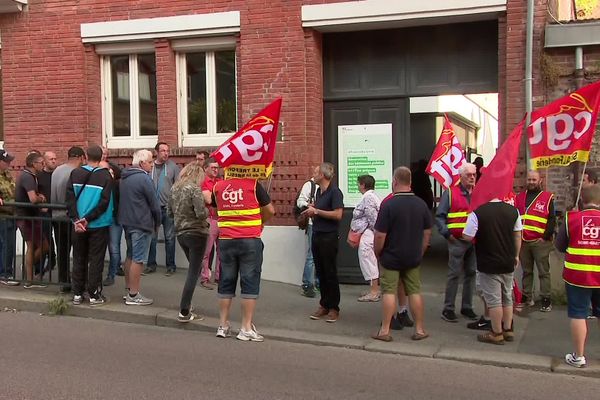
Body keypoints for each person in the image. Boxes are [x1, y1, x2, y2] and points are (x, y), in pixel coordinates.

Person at [371, 167, 432, 341]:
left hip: (391, 256)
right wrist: (420, 251)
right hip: (413, 256)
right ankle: (419, 329)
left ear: (395, 182)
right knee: (414, 291)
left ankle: (385, 331)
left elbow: (380, 234)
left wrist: (378, 252)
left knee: (389, 291)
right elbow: (427, 232)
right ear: (410, 182)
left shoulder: (388, 204)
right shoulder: (421, 204)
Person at [213, 174, 275, 341]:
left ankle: (223, 325)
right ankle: (246, 327)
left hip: (226, 240)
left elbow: (213, 204)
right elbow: (270, 210)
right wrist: (260, 221)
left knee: (226, 280)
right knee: (249, 281)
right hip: (249, 239)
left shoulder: (218, 187)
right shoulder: (253, 185)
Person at [462, 198, 522, 345]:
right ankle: (508, 329)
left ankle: (496, 333)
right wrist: (516, 255)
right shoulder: (513, 211)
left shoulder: (478, 213)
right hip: (508, 260)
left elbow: (467, 235)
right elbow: (517, 235)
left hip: (488, 261)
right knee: (507, 296)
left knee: (494, 300)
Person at [555, 185, 600, 368]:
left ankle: (579, 356)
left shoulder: (571, 218)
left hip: (577, 275)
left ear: (582, 201)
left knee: (579, 314)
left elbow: (559, 245)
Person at [66, 145, 113, 306]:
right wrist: (89, 218)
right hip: (98, 223)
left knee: (79, 257)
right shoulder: (105, 176)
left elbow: (69, 199)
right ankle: (94, 294)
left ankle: (77, 293)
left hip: (78, 224)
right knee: (96, 259)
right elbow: (104, 203)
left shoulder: (75, 173)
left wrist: (76, 219)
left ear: (86, 156)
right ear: (101, 158)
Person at [436, 163, 478, 322]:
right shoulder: (451, 193)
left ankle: (467, 307)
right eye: (469, 175)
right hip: (457, 241)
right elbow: (440, 216)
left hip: (474, 241)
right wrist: (447, 234)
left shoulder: (478, 193)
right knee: (454, 274)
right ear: (461, 176)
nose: (472, 177)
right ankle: (448, 309)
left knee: (471, 273)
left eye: (474, 174)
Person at [167, 163, 209, 322]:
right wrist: (207, 206)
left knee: (194, 269)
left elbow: (169, 213)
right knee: (193, 272)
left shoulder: (174, 188)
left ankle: (188, 305)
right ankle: (184, 310)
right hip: (197, 233)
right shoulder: (194, 189)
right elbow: (200, 214)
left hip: (181, 234)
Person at [119, 149, 161, 306]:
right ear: (142, 163)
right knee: (138, 259)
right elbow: (154, 204)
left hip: (127, 221)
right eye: (150, 162)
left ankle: (129, 289)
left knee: (130, 256)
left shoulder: (125, 177)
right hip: (141, 222)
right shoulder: (144, 179)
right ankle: (133, 294)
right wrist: (157, 222)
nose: (151, 165)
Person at [305, 162, 344, 323]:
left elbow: (338, 215)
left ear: (323, 175)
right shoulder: (319, 192)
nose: (313, 175)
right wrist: (312, 211)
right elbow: (320, 212)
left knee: (330, 272)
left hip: (329, 236)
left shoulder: (335, 192)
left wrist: (317, 211)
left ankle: (334, 307)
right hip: (317, 234)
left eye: (315, 172)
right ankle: (324, 304)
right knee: (320, 271)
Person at [516, 170, 556, 312]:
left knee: (543, 272)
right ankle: (527, 297)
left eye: (534, 180)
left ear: (540, 181)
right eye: (529, 179)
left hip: (540, 242)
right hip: (524, 240)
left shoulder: (547, 197)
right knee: (527, 271)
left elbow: (552, 219)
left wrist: (545, 237)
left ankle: (546, 299)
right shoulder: (519, 197)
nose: (531, 182)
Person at [50, 146, 86, 292]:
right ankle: (78, 284)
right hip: (70, 217)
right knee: (78, 251)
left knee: (62, 251)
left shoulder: (57, 170)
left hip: (56, 215)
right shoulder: (76, 172)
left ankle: (64, 282)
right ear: (80, 157)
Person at [146, 142, 180, 276]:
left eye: (167, 150)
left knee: (170, 237)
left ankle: (171, 266)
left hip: (167, 208)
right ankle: (150, 264)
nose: (166, 153)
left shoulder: (173, 167)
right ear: (156, 152)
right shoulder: (150, 166)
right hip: (153, 208)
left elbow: (177, 186)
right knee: (152, 237)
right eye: (163, 151)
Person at [15, 152, 49, 288]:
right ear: (34, 164)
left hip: (29, 216)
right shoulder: (28, 177)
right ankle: (29, 279)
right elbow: (33, 199)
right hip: (27, 217)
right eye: (41, 162)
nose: (43, 164)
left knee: (36, 246)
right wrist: (41, 198)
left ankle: (29, 273)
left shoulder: (29, 176)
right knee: (41, 246)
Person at [349, 174, 381, 301]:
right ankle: (373, 289)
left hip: (368, 234)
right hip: (368, 233)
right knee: (369, 260)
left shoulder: (368, 198)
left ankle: (374, 292)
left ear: (363, 185)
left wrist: (374, 233)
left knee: (368, 260)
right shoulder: (370, 197)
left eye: (358, 183)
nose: (357, 186)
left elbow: (372, 218)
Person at [101, 146, 125, 279]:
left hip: (115, 215)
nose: (104, 156)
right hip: (100, 216)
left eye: (105, 154)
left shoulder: (116, 172)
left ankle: (113, 271)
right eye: (102, 153)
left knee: (114, 245)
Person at [199, 157, 221, 289]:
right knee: (207, 251)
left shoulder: (220, 181)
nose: (215, 169)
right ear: (205, 168)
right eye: (212, 167)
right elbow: (208, 199)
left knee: (221, 250)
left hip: (221, 219)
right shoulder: (203, 182)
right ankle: (205, 278)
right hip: (210, 219)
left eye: (217, 167)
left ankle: (219, 277)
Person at [297, 166, 319, 298]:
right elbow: (300, 202)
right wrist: (308, 205)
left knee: (320, 254)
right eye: (317, 172)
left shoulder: (326, 187)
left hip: (323, 224)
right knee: (311, 255)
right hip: (312, 223)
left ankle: (318, 282)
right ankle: (307, 284)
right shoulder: (309, 185)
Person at [38, 151, 58, 272]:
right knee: (47, 236)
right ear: (44, 161)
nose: (54, 161)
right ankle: (51, 258)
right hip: (45, 212)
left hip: (58, 211)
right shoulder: (40, 176)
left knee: (59, 236)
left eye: (55, 159)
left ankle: (57, 260)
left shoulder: (58, 174)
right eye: (51, 159)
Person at [0, 149, 18, 286]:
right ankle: (5, 274)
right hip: (3, 216)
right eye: (6, 161)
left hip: (11, 214)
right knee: (7, 245)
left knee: (7, 244)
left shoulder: (7, 174)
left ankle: (5, 272)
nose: (9, 164)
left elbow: (13, 191)